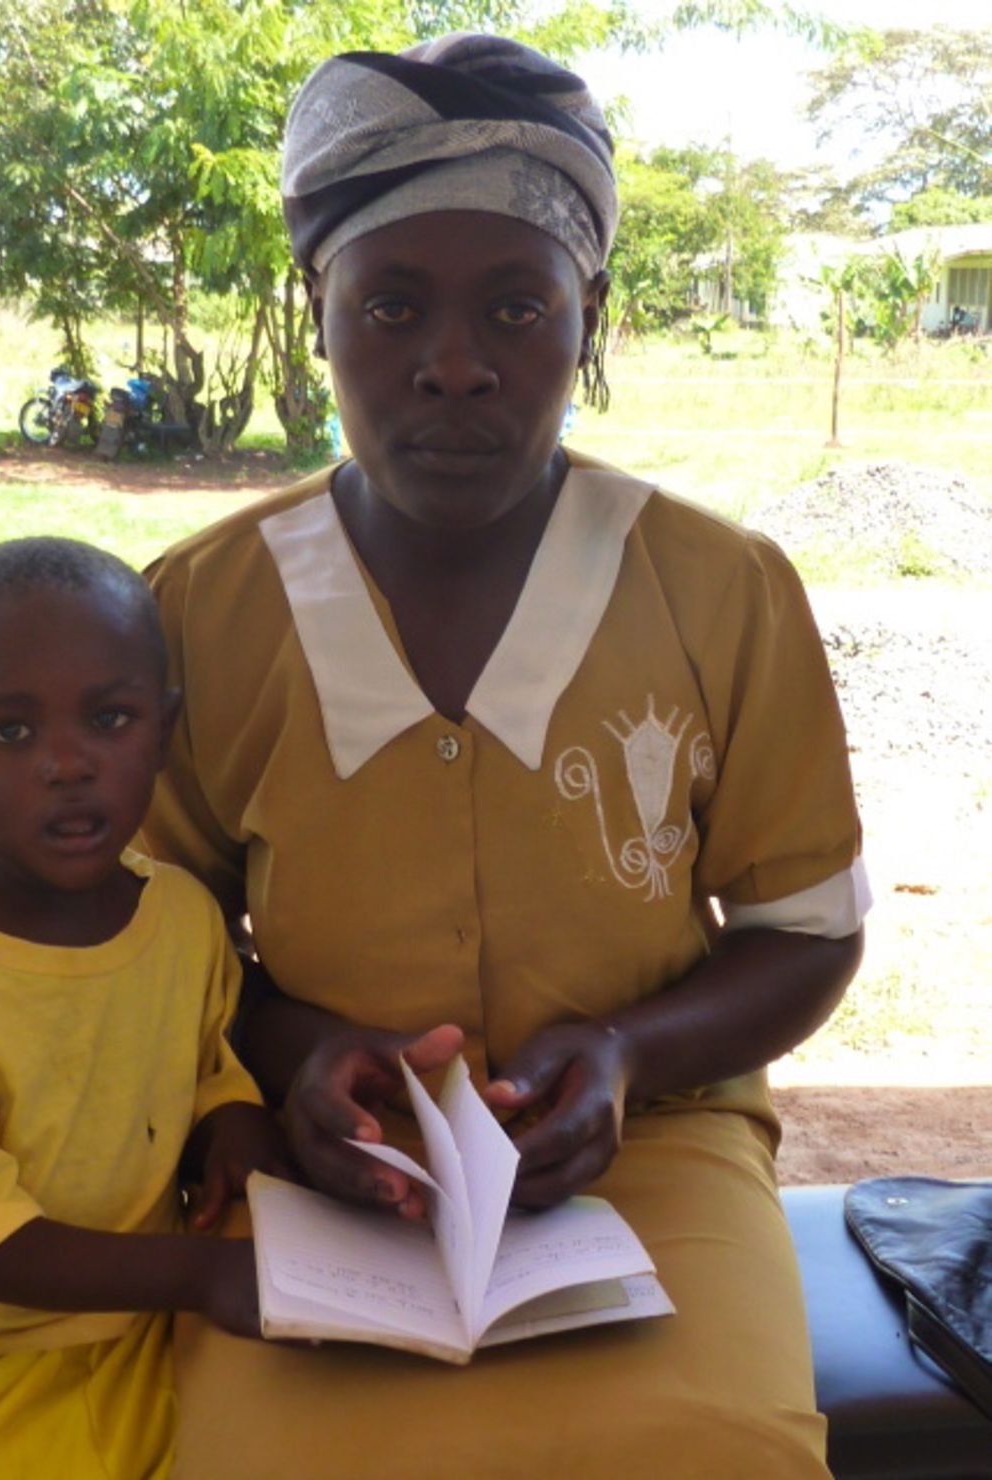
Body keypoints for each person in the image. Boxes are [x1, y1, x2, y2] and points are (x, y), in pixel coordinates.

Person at [144, 34, 870, 1479]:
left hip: (651, 1149)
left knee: (717, 1447)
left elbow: (803, 931)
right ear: (318, 308)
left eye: (517, 309)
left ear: (588, 316)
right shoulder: (196, 608)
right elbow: (155, 929)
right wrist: (293, 1062)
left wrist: (623, 1053)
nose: (454, 367)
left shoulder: (719, 588)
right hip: (322, 1162)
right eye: (392, 305)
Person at [0, 537, 281, 1480]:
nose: (68, 764)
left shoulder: (181, 917)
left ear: (165, 730)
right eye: (12, 733)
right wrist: (210, 1276)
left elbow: (205, 1064)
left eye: (110, 718)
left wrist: (230, 1122)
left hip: (148, 1335)